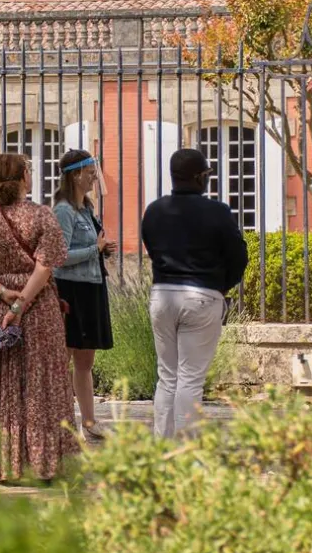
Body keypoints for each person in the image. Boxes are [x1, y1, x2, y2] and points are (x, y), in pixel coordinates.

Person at [0, 153, 78, 482]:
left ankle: (0, 466)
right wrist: (22, 303)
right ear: (25, 176)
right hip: (37, 308)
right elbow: (46, 266)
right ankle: (44, 464)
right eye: (30, 170)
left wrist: (2, 294)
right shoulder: (42, 215)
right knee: (43, 382)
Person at [140, 148, 249, 438]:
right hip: (202, 294)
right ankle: (186, 451)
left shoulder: (154, 210)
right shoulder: (217, 212)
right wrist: (222, 285)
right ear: (201, 177)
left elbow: (152, 249)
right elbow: (238, 255)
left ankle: (163, 446)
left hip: (162, 294)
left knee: (167, 377)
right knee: (190, 378)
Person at [52, 149, 115, 441]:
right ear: (75, 175)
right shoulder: (63, 210)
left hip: (92, 286)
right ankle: (58, 420)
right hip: (71, 290)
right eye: (89, 173)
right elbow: (59, 256)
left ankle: (89, 422)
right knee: (63, 357)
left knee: (85, 361)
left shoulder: (86, 209)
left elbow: (92, 245)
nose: (93, 178)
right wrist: (95, 250)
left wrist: (103, 249)